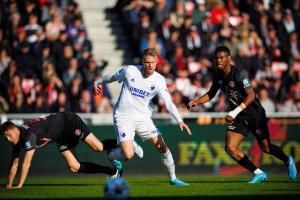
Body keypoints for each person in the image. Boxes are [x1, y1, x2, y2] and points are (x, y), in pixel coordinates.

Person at [187, 45, 297, 184]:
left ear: (229, 59)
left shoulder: (240, 74)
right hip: (239, 117)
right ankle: (259, 173)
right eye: (216, 58)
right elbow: (211, 93)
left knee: (266, 148)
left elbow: (251, 95)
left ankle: (288, 160)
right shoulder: (218, 75)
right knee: (230, 148)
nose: (218, 61)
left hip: (255, 115)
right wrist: (196, 102)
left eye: (221, 58)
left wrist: (234, 111)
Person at [93, 48, 192, 186]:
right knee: (128, 155)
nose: (149, 65)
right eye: (146, 62)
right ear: (142, 62)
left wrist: (180, 120)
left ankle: (173, 178)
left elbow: (168, 103)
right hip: (123, 118)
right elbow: (113, 77)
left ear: (157, 62)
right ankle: (112, 155)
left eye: (152, 62)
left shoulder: (159, 80)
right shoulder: (130, 71)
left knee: (162, 147)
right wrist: (98, 82)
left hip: (143, 119)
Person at [0, 112, 124, 189]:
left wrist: (20, 185)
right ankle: (113, 172)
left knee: (98, 147)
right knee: (74, 167)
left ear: (15, 129)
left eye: (9, 135)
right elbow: (14, 163)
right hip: (61, 136)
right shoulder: (18, 139)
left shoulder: (27, 135)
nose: (9, 139)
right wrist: (9, 185)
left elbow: (26, 163)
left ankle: (125, 142)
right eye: (6, 138)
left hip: (69, 122)